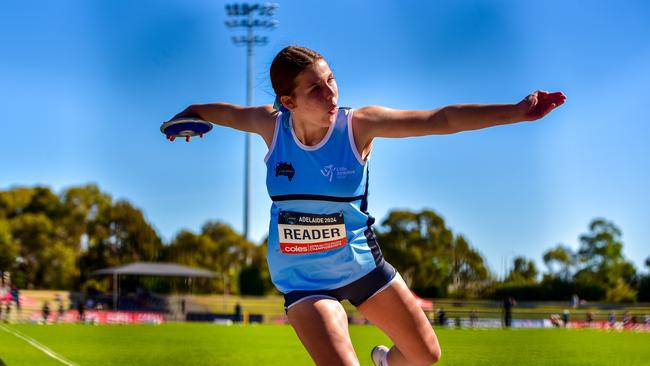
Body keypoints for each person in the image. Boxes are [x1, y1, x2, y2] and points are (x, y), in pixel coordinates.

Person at [171, 45, 565, 366]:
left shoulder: (358, 125)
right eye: (315, 90)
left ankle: (384, 362)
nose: (331, 94)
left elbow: (440, 119)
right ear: (288, 101)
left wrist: (516, 112)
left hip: (360, 265)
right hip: (303, 278)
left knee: (424, 355)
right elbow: (220, 112)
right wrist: (188, 117)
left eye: (331, 81)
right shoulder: (270, 125)